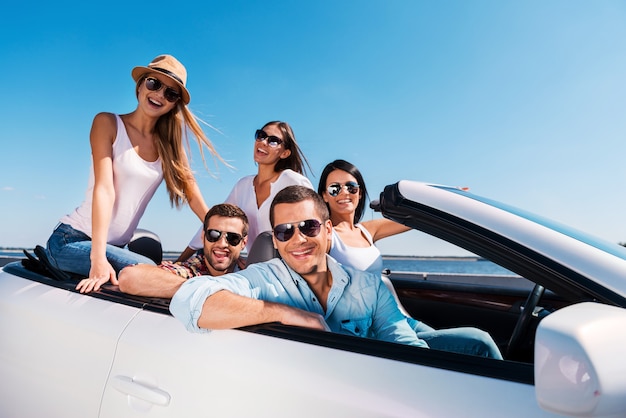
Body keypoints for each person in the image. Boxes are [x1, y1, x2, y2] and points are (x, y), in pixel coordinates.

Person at [44, 54, 224, 294]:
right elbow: (104, 190)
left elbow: (194, 198)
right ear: (140, 85)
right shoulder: (107, 123)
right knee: (148, 270)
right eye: (154, 83)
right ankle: (209, 294)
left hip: (116, 246)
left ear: (174, 103)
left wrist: (225, 237)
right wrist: (97, 259)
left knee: (153, 270)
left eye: (170, 93)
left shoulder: (169, 147)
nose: (159, 94)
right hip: (72, 241)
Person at [170, 185, 428, 348]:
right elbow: (190, 300)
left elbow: (407, 348)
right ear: (275, 240)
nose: (298, 239)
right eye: (284, 231)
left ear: (327, 230)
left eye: (309, 226)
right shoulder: (264, 280)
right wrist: (286, 313)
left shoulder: (369, 286)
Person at [318, 159, 502, 359]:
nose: (344, 192)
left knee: (457, 359)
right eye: (335, 188)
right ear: (324, 196)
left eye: (351, 187)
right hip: (372, 328)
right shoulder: (326, 236)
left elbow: (414, 219)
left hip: (400, 319)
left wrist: (449, 198)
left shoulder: (367, 230)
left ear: (360, 193)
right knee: (479, 342)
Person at [177, 121, 313, 261]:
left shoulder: (293, 181)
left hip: (292, 265)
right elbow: (217, 222)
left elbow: (313, 228)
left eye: (273, 141)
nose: (264, 142)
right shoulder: (243, 185)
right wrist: (180, 261)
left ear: (285, 153)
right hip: (255, 267)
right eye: (261, 135)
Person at [118, 204, 248, 298]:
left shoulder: (251, 274)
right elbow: (129, 277)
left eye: (233, 238)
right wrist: (208, 289)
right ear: (203, 237)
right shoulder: (193, 271)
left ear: (243, 243)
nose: (222, 243)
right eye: (214, 234)